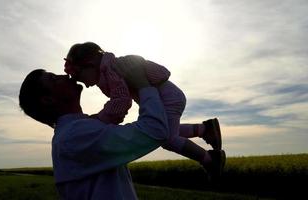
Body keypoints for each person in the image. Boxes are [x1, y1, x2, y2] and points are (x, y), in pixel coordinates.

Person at [19, 65, 225, 199]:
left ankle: (205, 132)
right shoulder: (75, 136)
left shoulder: (79, 130)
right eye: (54, 79)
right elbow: (154, 131)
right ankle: (206, 136)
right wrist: (143, 84)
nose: (64, 76)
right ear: (48, 100)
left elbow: (145, 132)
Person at [64, 42, 225, 173]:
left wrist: (101, 119)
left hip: (167, 98)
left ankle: (210, 160)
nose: (83, 84)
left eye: (78, 76)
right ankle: (205, 129)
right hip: (167, 95)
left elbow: (121, 101)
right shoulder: (109, 70)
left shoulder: (111, 71)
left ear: (89, 64)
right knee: (168, 130)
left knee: (167, 138)